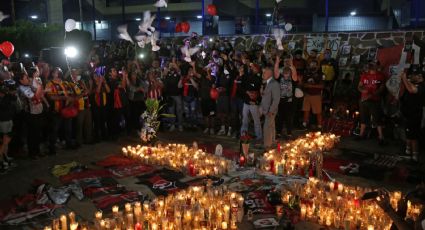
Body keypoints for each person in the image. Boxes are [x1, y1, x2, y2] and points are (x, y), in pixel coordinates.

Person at [45, 67, 76, 154]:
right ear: (52, 74)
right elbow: (50, 97)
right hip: (56, 111)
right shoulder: (49, 84)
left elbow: (71, 95)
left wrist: (70, 103)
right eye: (56, 72)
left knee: (68, 129)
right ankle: (52, 148)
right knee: (54, 130)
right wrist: (64, 97)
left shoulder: (66, 83)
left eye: (59, 72)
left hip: (67, 109)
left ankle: (68, 144)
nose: (58, 73)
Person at [16, 69, 45, 160]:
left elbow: (40, 93)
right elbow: (35, 97)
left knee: (38, 133)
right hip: (30, 114)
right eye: (26, 78)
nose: (28, 79)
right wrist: (41, 89)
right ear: (21, 80)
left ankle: (37, 151)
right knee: (32, 134)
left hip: (37, 111)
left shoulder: (28, 86)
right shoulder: (22, 88)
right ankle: (32, 153)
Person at [357, 62, 386, 145]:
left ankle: (381, 137)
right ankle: (361, 135)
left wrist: (373, 94)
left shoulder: (381, 76)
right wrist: (363, 90)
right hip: (364, 100)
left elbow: (382, 87)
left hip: (375, 100)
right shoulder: (364, 75)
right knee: (363, 117)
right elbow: (359, 86)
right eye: (371, 65)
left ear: (377, 66)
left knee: (377, 119)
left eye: (374, 65)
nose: (372, 67)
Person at [400, 69, 424, 162]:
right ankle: (408, 152)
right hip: (408, 114)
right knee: (409, 134)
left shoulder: (422, 86)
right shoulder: (413, 83)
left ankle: (414, 156)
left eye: (414, 75)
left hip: (415, 115)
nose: (411, 76)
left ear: (419, 76)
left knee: (413, 136)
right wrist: (404, 80)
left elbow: (412, 90)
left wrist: (404, 78)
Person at [274, 55, 298, 139]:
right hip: (281, 100)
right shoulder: (280, 77)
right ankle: (278, 132)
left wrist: (291, 65)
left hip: (290, 100)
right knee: (280, 117)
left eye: (288, 72)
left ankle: (289, 132)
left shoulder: (292, 77)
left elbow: (295, 75)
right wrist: (277, 62)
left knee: (289, 117)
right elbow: (276, 73)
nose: (286, 73)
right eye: (285, 72)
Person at [69, 69, 92, 146]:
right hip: (79, 108)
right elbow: (73, 97)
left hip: (87, 106)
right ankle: (79, 142)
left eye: (78, 74)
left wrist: (85, 86)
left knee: (88, 124)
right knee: (79, 125)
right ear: (72, 75)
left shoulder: (80, 83)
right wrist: (83, 94)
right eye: (76, 74)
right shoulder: (70, 85)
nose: (78, 75)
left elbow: (87, 92)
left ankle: (88, 139)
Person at [260, 65, 280, 150]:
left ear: (270, 73)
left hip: (270, 110)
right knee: (271, 126)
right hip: (266, 109)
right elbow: (266, 96)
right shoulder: (266, 82)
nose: (263, 74)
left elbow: (276, 99)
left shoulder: (274, 84)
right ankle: (272, 142)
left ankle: (267, 145)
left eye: (264, 72)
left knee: (267, 127)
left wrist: (271, 110)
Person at [241, 63, 262, 142]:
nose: (252, 68)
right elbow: (242, 86)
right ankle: (243, 135)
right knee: (245, 119)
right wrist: (247, 92)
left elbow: (259, 91)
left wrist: (256, 100)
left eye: (253, 67)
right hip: (246, 101)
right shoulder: (246, 76)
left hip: (254, 102)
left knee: (256, 120)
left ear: (257, 69)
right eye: (251, 67)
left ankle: (259, 136)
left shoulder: (258, 78)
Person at [301, 60, 324, 129]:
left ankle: (319, 126)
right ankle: (304, 124)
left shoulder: (321, 74)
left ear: (317, 66)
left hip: (316, 95)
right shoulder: (306, 73)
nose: (312, 66)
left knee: (318, 111)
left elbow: (322, 86)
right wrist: (306, 87)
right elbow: (303, 84)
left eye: (314, 64)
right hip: (307, 95)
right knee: (306, 110)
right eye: (311, 64)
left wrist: (311, 86)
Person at [162, 60, 184, 132]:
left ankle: (180, 125)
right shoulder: (167, 73)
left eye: (173, 65)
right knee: (171, 111)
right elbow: (164, 74)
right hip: (169, 95)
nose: (171, 66)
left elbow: (179, 70)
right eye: (170, 65)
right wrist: (168, 67)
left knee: (179, 111)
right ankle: (172, 125)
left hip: (177, 95)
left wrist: (174, 63)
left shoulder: (177, 72)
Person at [91, 72, 110, 142]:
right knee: (97, 122)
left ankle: (104, 136)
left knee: (103, 121)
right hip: (96, 106)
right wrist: (100, 82)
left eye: (98, 76)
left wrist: (104, 83)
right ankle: (97, 137)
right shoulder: (93, 85)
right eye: (95, 76)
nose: (97, 77)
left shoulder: (102, 84)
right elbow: (97, 91)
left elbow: (108, 91)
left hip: (104, 106)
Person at [179, 63, 199, 128]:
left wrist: (191, 79)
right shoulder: (184, 78)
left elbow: (196, 86)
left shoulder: (195, 78)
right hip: (185, 98)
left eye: (192, 70)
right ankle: (188, 125)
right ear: (187, 71)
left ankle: (193, 125)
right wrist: (181, 79)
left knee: (193, 112)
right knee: (187, 113)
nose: (191, 71)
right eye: (189, 70)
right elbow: (179, 86)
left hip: (193, 98)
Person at [198, 68, 216, 135]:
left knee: (212, 115)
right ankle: (207, 127)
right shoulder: (202, 78)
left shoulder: (213, 77)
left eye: (209, 70)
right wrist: (199, 96)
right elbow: (199, 87)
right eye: (206, 70)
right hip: (204, 99)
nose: (207, 70)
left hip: (211, 100)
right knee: (205, 115)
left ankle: (212, 128)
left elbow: (211, 81)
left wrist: (208, 72)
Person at [230, 64, 246, 139]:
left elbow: (243, 88)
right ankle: (236, 132)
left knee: (242, 116)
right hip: (234, 98)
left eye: (242, 67)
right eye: (239, 67)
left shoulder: (245, 77)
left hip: (241, 99)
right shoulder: (237, 76)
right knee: (235, 116)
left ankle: (242, 132)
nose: (240, 68)